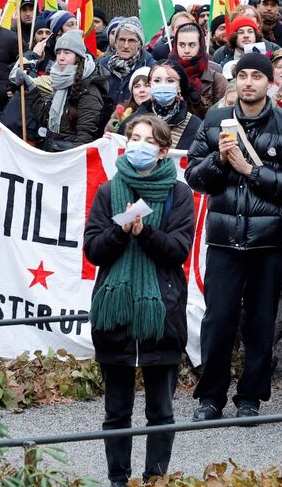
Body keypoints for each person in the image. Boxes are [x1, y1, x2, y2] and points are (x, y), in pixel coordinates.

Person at [186, 52, 282, 420]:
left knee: (260, 322)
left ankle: (251, 398)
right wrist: (219, 162)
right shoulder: (214, 119)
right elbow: (194, 175)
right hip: (224, 239)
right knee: (218, 320)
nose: (249, 82)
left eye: (257, 76)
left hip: (268, 242)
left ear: (270, 82)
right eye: (243, 76)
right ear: (235, 81)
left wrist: (250, 171)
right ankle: (211, 397)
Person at [85, 114, 194, 487]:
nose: (138, 145)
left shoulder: (179, 194)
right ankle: (118, 479)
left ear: (163, 151)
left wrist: (144, 232)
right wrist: (120, 231)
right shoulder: (107, 191)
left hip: (160, 314)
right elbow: (94, 251)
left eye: (148, 141)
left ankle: (154, 480)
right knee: (116, 411)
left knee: (160, 411)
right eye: (134, 137)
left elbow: (177, 251)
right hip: (114, 317)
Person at [9, 31, 108, 152]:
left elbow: (85, 136)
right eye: (58, 52)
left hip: (69, 158)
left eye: (67, 53)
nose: (61, 57)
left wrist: (69, 162)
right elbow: (46, 118)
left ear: (78, 57)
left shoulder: (89, 91)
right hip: (53, 152)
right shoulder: (60, 83)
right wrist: (31, 89)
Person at [119, 61, 202, 151]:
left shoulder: (195, 125)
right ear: (150, 84)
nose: (163, 85)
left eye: (170, 81)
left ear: (179, 87)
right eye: (157, 80)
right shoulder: (131, 122)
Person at [99, 16, 154, 111]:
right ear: (115, 42)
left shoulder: (150, 68)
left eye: (131, 41)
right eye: (122, 40)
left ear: (140, 44)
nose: (125, 46)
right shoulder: (102, 66)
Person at [170, 22, 225, 116]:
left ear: (200, 45)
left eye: (192, 45)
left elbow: (220, 116)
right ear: (176, 45)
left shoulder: (216, 79)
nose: (186, 51)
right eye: (182, 45)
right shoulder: (165, 73)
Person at [212, 15, 277, 66]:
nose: (246, 35)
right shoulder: (223, 60)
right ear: (234, 37)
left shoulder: (271, 54)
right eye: (241, 32)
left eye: (250, 31)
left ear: (256, 35)